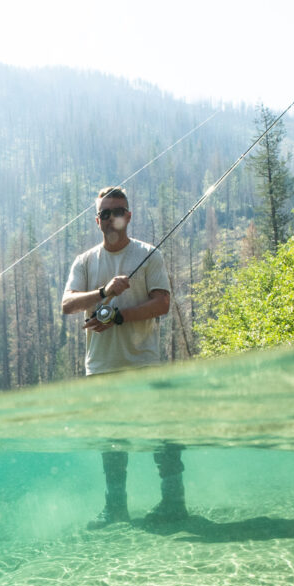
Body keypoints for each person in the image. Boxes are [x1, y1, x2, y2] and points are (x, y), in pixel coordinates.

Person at [60, 186, 187, 528]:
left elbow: (162, 303)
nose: (111, 217)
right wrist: (104, 293)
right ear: (96, 220)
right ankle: (116, 508)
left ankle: (174, 504)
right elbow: (67, 304)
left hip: (144, 364)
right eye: (104, 213)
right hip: (101, 368)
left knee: (165, 436)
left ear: (128, 216)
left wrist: (118, 317)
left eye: (117, 211)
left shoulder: (149, 255)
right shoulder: (85, 262)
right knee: (112, 444)